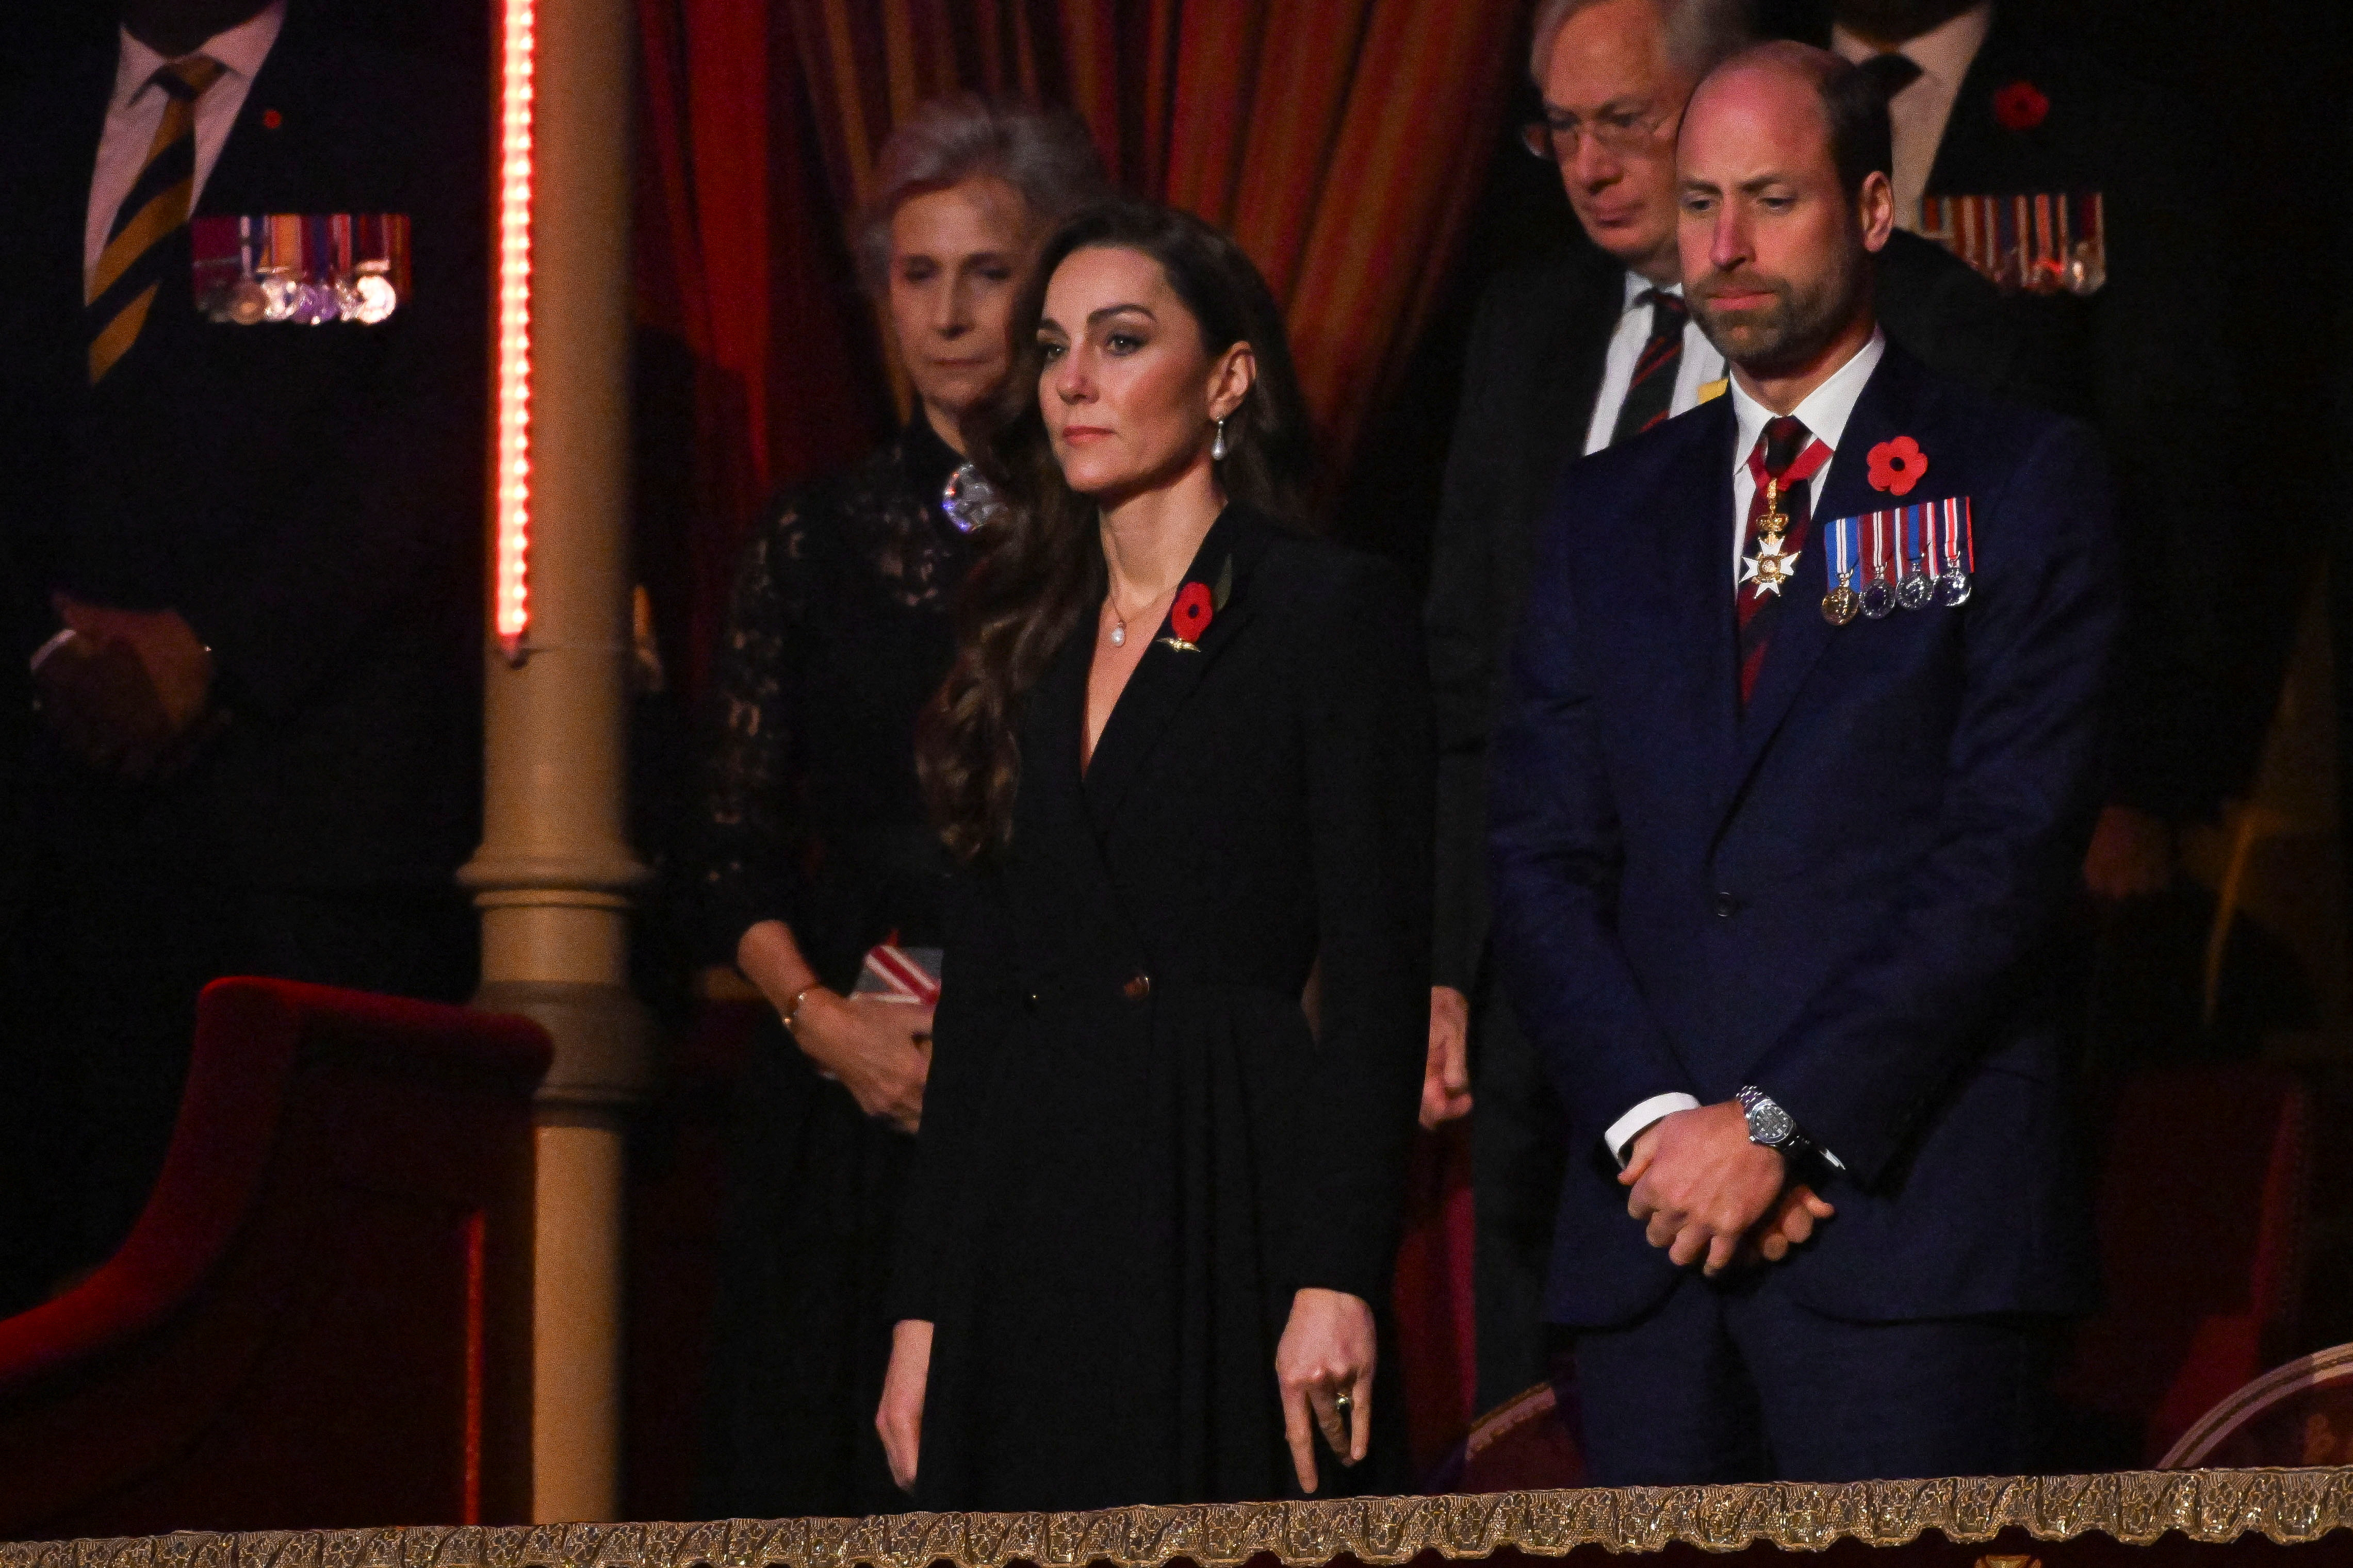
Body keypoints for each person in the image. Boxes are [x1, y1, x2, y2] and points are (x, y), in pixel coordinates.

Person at [1487, 42, 2114, 1483]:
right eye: (1699, 202)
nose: (1725, 247)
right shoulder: (1604, 510)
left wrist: (1777, 1124)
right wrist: (1661, 1129)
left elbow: (2002, 855)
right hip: (1653, 1239)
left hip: (1907, 1233)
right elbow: (1538, 853)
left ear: (1874, 209)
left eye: (1770, 199)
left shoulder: (2015, 478)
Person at [876, 198, 1433, 1511]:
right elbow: (979, 1013)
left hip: (1226, 1175)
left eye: (1121, 342)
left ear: (1228, 375)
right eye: (1057, 346)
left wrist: (1338, 1274)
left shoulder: (1321, 611)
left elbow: (1376, 976)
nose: (1074, 380)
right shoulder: (1022, 636)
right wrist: (924, 1310)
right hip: (1029, 1203)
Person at [0, 0, 482, 1314]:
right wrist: (48, 642)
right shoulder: (28, 104)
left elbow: (428, 428)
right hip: (42, 836)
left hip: (300, 827)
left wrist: (216, 647)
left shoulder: (402, 117)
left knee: (296, 1302)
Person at [692, 96, 1103, 1519]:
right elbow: (729, 849)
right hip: (851, 1069)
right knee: (836, 1465)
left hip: (1075, 1045)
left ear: (1054, 278)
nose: (946, 312)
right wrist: (825, 1026)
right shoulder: (811, 534)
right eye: (916, 275)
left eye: (985, 272)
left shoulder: (1130, 519)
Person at [1815, 0, 2237, 916]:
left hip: (2022, 729)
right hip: (1804, 722)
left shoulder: (2108, 124)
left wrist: (2135, 774)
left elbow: (2166, 466)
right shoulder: (1744, 98)